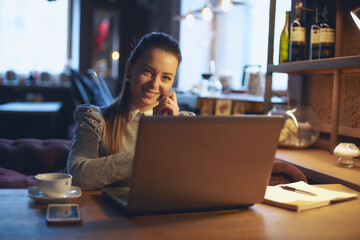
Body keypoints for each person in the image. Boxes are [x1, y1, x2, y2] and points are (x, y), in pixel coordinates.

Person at [67, 32, 194, 190]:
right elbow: (77, 176)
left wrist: (169, 131)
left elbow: (193, 182)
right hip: (110, 214)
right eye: (147, 71)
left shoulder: (184, 123)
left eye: (166, 77)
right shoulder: (94, 119)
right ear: (129, 70)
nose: (155, 84)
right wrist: (148, 152)